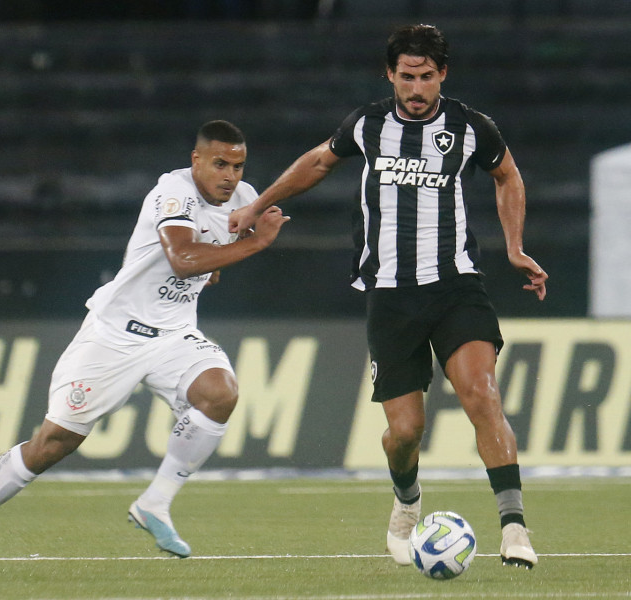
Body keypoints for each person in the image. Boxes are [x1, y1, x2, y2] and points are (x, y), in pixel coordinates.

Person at [229, 24, 547, 569]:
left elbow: (508, 176)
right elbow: (318, 161)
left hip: (455, 286)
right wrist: (257, 206)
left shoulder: (471, 128)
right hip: (390, 293)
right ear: (390, 75)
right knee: (405, 431)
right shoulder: (368, 125)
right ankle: (407, 501)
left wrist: (514, 247)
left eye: (426, 77)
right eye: (406, 77)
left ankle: (514, 527)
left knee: (481, 393)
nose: (416, 88)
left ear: (442, 74)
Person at [0, 120, 290, 566]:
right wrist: (256, 244)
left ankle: (155, 503)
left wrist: (219, 261)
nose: (230, 176)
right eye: (220, 164)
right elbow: (184, 258)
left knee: (220, 393)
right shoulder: (172, 191)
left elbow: (209, 261)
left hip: (174, 336)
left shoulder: (245, 200)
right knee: (54, 442)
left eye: (238, 166)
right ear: (196, 161)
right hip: (115, 335)